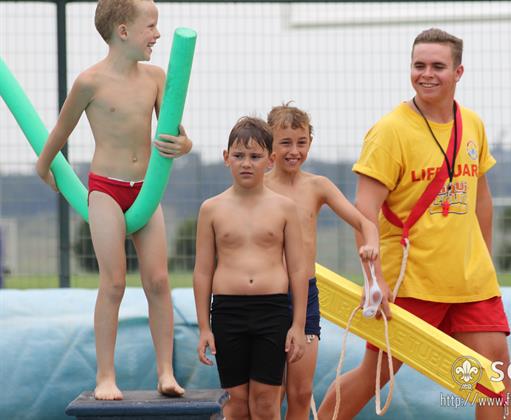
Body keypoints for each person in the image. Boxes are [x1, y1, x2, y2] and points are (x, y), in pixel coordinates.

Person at [317, 28, 511, 420]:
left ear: (458, 72)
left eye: (438, 66)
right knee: (373, 376)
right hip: (408, 283)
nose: (426, 74)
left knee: (495, 382)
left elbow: (482, 198)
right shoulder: (389, 131)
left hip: (472, 284)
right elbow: (363, 211)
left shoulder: (473, 124)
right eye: (418, 65)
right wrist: (373, 279)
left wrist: (485, 264)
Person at [35, 0, 190, 400]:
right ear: (123, 31)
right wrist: (44, 167)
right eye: (150, 26)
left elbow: (179, 134)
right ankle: (106, 375)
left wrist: (184, 145)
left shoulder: (156, 78)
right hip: (106, 190)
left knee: (158, 280)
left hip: (146, 190)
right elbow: (60, 131)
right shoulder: (90, 82)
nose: (157, 34)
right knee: (115, 282)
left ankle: (166, 372)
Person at [264, 103, 380, 420]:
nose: (294, 151)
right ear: (270, 144)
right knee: (271, 392)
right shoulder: (259, 187)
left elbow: (364, 222)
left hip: (305, 296)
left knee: (301, 392)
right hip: (268, 296)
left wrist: (371, 244)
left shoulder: (318, 186)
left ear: (310, 143)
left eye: (301, 142)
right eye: (285, 143)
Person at [193, 117, 308, 420]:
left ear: (270, 160)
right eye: (239, 155)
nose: (246, 163)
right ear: (226, 157)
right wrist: (204, 327)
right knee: (236, 404)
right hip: (227, 312)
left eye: (255, 156)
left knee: (266, 403)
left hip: (272, 311)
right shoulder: (211, 209)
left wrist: (297, 325)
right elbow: (203, 271)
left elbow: (298, 270)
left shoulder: (284, 208)